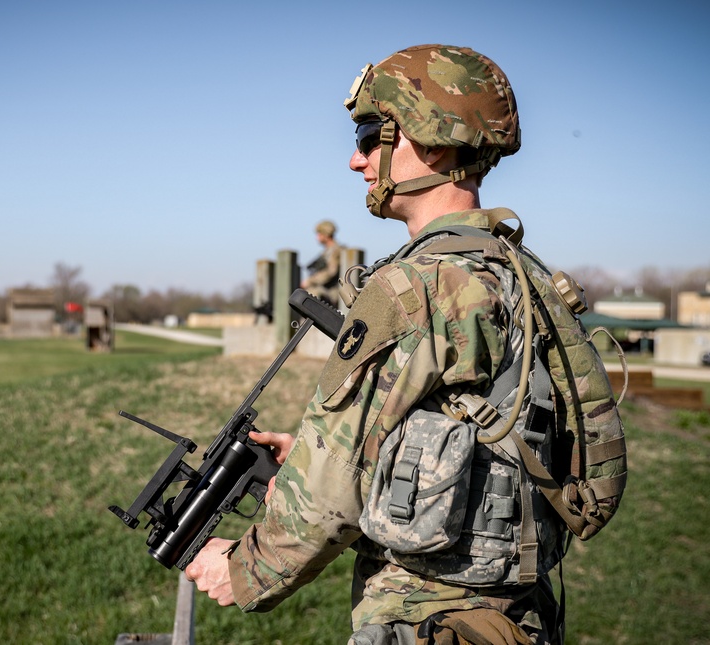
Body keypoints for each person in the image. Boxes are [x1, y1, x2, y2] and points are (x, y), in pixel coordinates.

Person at [183, 44, 603, 644]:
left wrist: (243, 570)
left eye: (367, 135)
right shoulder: (518, 272)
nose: (356, 161)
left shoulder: (414, 286)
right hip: (515, 617)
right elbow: (476, 432)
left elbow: (334, 475)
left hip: (427, 620)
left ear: (432, 143)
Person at [302, 219, 344, 305]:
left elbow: (331, 272)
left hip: (333, 292)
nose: (317, 237)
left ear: (325, 234)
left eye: (319, 234)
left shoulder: (336, 250)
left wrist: (310, 281)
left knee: (310, 295)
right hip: (326, 289)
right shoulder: (327, 252)